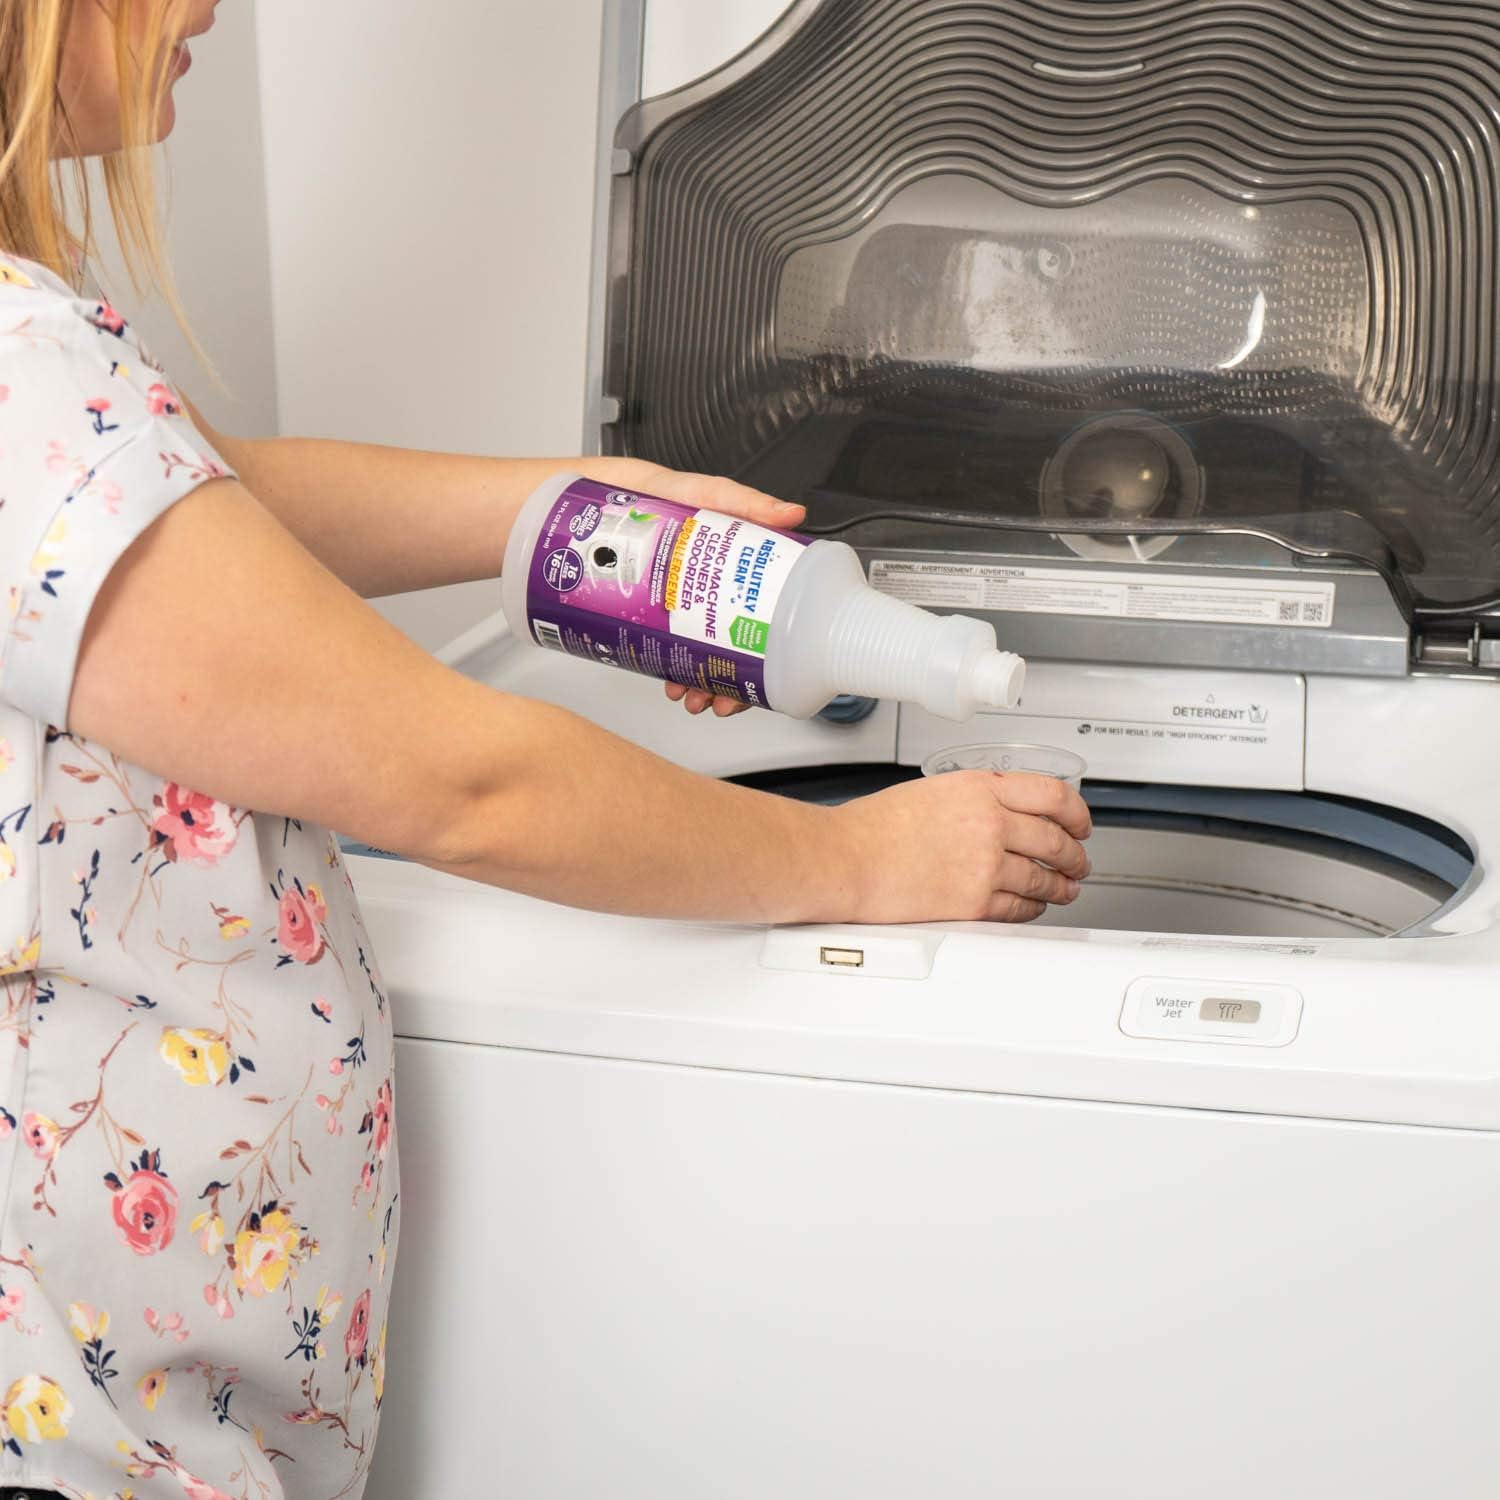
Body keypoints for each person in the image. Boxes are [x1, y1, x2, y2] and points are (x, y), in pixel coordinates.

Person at [0, 2, 1093, 1496]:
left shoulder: (35, 361)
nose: (205, 9)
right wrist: (855, 859)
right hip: (87, 1436)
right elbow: (466, 781)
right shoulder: (17, 371)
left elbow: (201, 497)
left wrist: (569, 510)